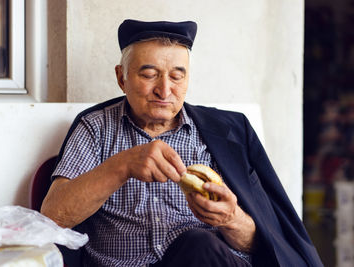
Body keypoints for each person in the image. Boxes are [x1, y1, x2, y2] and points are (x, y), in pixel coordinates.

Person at [41, 19, 323, 267]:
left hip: (209, 260)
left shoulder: (227, 132)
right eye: (149, 74)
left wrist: (231, 218)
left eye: (177, 76)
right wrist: (123, 166)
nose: (164, 90)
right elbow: (53, 216)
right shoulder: (95, 127)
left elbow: (263, 245)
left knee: (199, 244)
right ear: (121, 77)